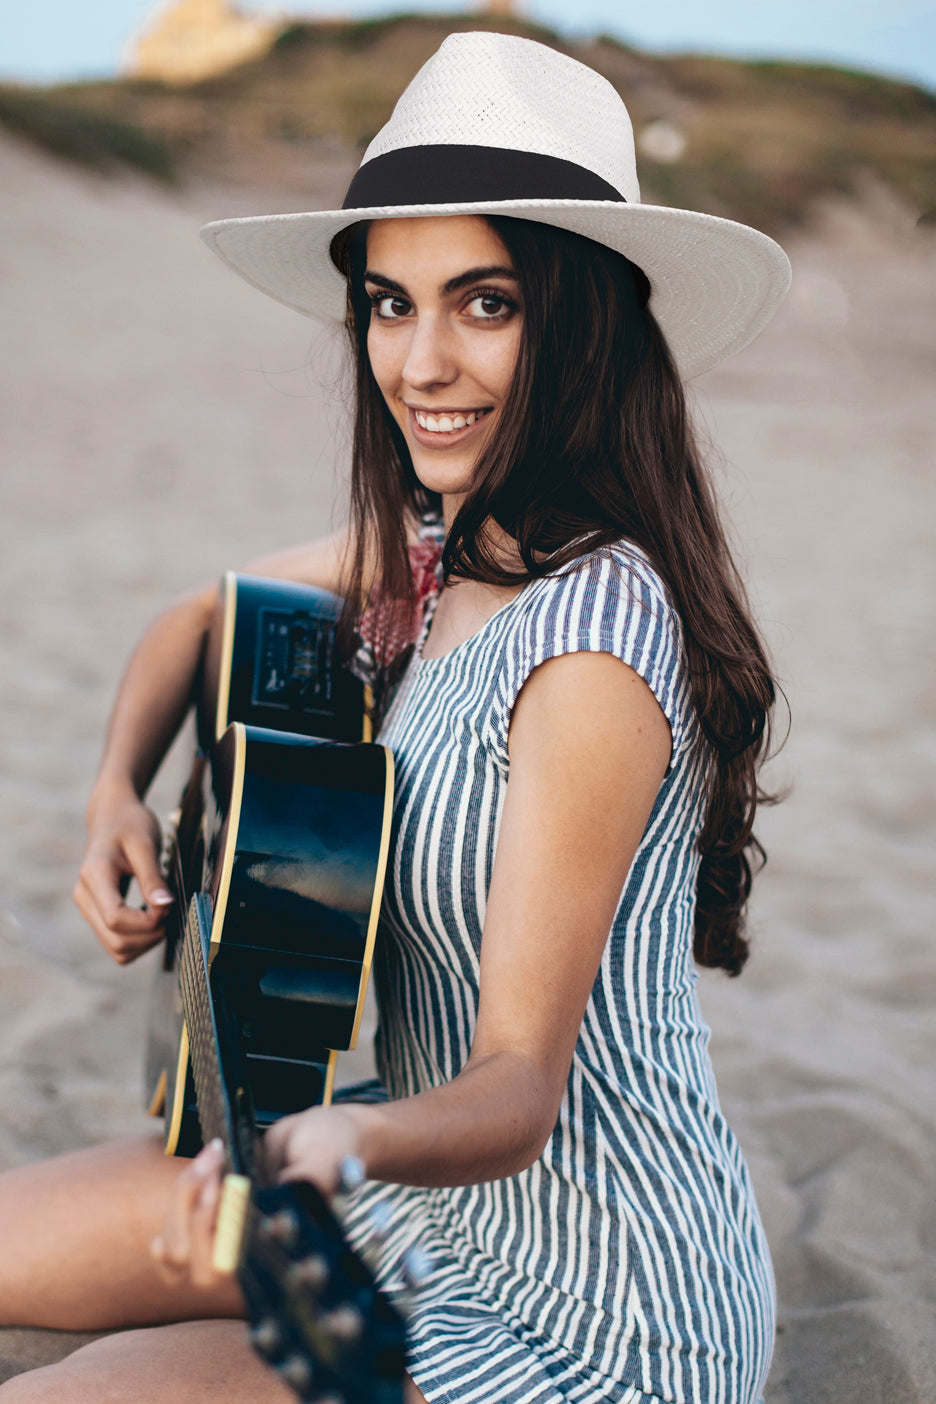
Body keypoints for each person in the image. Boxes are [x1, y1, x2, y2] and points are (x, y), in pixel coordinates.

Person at [0, 32, 791, 1404]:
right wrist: (117, 794)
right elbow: (198, 615)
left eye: (484, 304)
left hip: (592, 1297)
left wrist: (319, 1152)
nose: (420, 362)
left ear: (580, 318)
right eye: (388, 303)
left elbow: (515, 1088)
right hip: (390, 1182)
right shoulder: (446, 544)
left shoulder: (591, 649)